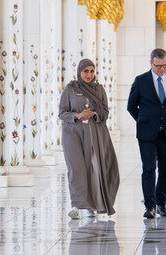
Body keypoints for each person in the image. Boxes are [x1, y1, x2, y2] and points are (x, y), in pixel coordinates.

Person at [127, 48, 166, 219]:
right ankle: (150, 205)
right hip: (147, 134)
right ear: (151, 63)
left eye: (164, 66)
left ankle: (161, 203)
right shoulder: (140, 81)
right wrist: (145, 121)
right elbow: (131, 106)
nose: (162, 69)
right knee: (149, 169)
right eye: (158, 66)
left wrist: (164, 120)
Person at [59, 58, 120, 219]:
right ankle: (76, 205)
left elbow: (105, 113)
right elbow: (62, 113)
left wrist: (93, 114)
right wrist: (78, 115)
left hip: (94, 133)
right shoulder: (71, 89)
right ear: (79, 72)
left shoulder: (99, 89)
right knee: (76, 168)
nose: (89, 74)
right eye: (86, 71)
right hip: (72, 133)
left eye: (92, 71)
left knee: (93, 167)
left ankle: (90, 205)